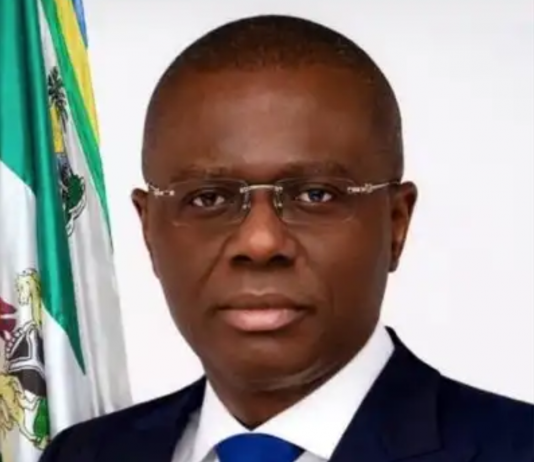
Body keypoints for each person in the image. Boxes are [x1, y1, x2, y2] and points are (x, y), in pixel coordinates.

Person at [40, 14, 533, 462]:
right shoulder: (81, 456)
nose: (260, 243)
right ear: (149, 229)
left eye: (316, 195)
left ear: (396, 222)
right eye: (209, 198)